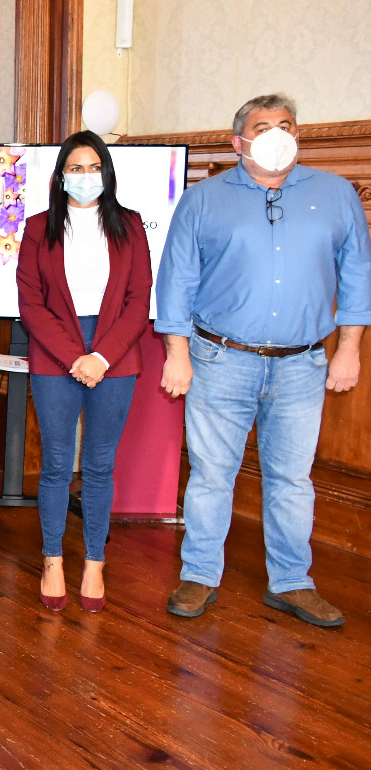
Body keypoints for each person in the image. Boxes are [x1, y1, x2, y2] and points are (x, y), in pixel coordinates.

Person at [157, 94, 370, 628]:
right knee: (211, 476)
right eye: (263, 126)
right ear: (239, 142)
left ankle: (292, 582)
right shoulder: (203, 200)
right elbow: (176, 280)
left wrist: (349, 348)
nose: (277, 134)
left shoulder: (336, 195)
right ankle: (199, 574)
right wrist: (177, 355)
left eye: (286, 125)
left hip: (303, 365)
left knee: (292, 479)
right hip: (220, 359)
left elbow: (357, 274)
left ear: (298, 135)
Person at [16, 131, 152, 614]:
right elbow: (31, 303)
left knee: (98, 465)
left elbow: (138, 301)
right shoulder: (38, 228)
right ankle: (52, 559)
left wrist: (101, 357)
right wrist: (76, 356)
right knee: (56, 464)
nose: (85, 176)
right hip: (56, 354)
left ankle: (95, 561)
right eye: (76, 168)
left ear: (106, 174)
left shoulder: (130, 225)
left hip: (115, 356)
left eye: (94, 167)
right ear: (60, 176)